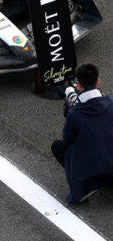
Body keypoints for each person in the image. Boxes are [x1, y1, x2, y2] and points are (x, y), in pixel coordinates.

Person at [54, 63, 113, 206]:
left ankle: (83, 185)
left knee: (58, 146)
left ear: (79, 85)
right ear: (98, 81)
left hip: (91, 170)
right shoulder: (111, 102)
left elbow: (68, 139)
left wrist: (70, 105)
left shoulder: (75, 113)